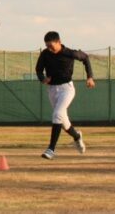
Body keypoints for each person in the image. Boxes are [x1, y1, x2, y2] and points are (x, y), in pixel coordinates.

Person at [35, 31, 95, 160]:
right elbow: (38, 70)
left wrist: (90, 77)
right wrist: (42, 78)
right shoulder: (45, 54)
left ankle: (51, 149)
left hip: (66, 89)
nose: (49, 49)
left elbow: (85, 58)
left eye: (51, 46)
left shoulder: (70, 53)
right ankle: (77, 136)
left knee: (57, 115)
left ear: (59, 42)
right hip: (52, 90)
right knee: (63, 122)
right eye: (47, 46)